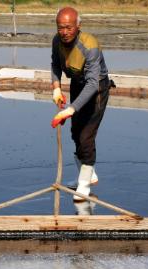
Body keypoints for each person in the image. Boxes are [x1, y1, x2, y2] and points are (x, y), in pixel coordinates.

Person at [50, 6, 111, 203]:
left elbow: (93, 83)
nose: (64, 32)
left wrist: (71, 108)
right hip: (77, 83)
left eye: (69, 27)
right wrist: (56, 87)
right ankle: (88, 174)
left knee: (86, 136)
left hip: (97, 88)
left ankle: (83, 186)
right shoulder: (56, 41)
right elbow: (55, 64)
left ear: (78, 26)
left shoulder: (90, 45)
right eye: (61, 27)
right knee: (75, 132)